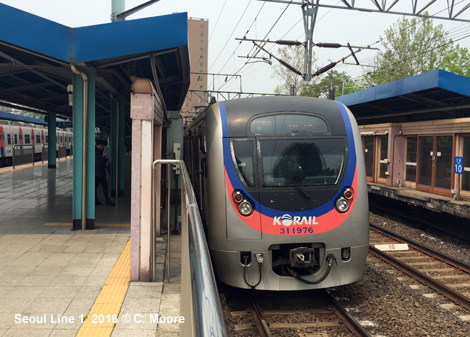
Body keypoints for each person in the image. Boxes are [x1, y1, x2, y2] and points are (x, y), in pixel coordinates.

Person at [95, 140, 115, 206]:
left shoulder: (95, 150)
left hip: (97, 172)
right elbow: (100, 162)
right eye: (103, 146)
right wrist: (105, 160)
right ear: (100, 145)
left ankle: (95, 200)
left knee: (95, 187)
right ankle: (107, 200)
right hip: (99, 173)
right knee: (105, 186)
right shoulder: (97, 152)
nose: (103, 147)